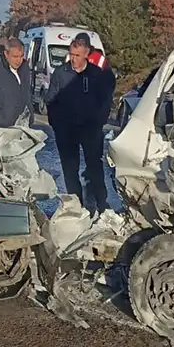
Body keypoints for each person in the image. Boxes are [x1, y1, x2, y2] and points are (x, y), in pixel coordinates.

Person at [45, 33, 116, 217]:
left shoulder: (95, 74)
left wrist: (99, 121)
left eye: (78, 55)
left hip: (90, 129)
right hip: (66, 131)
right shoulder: (61, 73)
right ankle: (76, 205)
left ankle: (102, 203)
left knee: (95, 167)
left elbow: (105, 101)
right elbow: (51, 101)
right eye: (72, 55)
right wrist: (57, 125)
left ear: (86, 54)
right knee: (70, 169)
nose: (74, 59)